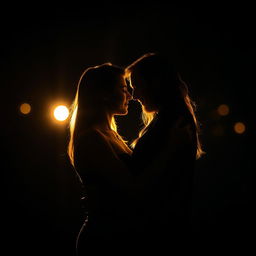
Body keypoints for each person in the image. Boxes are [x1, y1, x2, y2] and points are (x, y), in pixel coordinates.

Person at [125, 52, 204, 249]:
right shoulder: (171, 119)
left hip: (160, 233)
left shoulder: (170, 123)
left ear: (156, 83)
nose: (134, 96)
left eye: (137, 86)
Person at [67, 63, 135, 254]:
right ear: (104, 94)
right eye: (123, 89)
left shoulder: (111, 135)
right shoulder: (92, 138)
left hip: (116, 234)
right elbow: (128, 186)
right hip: (103, 240)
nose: (129, 95)